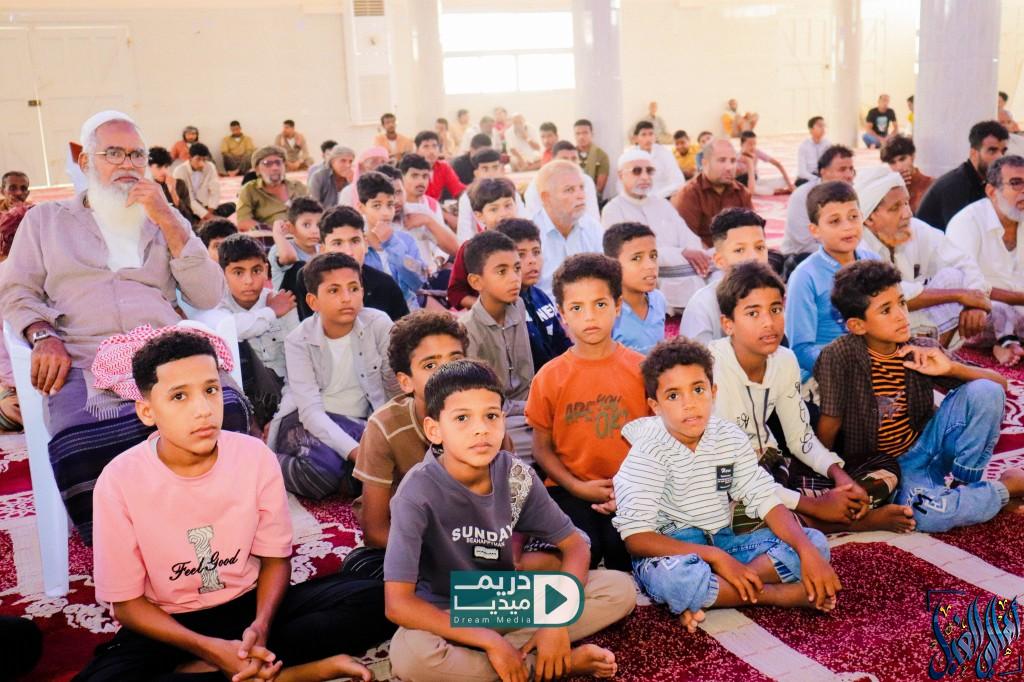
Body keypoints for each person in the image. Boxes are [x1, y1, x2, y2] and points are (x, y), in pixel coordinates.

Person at [76, 330, 392, 681]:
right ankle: (287, 673)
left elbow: (275, 560)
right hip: (169, 623)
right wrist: (209, 648)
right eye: (179, 396)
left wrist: (261, 626)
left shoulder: (254, 456)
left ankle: (224, 668)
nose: (203, 410)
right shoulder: (119, 480)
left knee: (381, 601)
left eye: (211, 390)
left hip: (249, 605)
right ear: (147, 411)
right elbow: (127, 605)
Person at [0, 110, 242, 541]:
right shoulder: (46, 221)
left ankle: (209, 524)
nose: (128, 164)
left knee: (229, 409)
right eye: (114, 153)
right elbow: (16, 291)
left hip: (165, 350)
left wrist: (168, 218)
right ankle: (126, 541)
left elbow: (208, 296)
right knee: (81, 441)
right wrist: (41, 334)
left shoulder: (163, 219)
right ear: (85, 162)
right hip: (81, 355)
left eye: (137, 155)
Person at [384, 360, 635, 682]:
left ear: (503, 420)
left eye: (491, 416)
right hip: (448, 610)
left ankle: (514, 653)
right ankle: (548, 665)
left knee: (618, 589)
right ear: (434, 430)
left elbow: (575, 546)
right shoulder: (415, 493)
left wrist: (555, 620)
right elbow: (397, 604)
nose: (481, 429)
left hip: (503, 597)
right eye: (462, 418)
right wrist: (487, 640)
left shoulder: (516, 475)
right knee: (410, 656)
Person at [613, 338, 840, 630]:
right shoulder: (648, 452)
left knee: (814, 544)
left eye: (698, 389)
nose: (689, 403)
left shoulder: (729, 437)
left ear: (713, 392)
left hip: (723, 539)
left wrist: (805, 551)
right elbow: (636, 538)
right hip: (672, 550)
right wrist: (716, 558)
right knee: (677, 581)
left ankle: (716, 591)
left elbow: (764, 497)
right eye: (673, 395)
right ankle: (776, 595)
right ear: (655, 406)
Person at [817, 260, 1024, 533]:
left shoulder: (920, 347)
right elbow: (830, 422)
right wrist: (824, 475)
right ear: (857, 325)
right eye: (886, 310)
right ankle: (1005, 489)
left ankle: (967, 484)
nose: (901, 315)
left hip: (930, 444)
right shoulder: (838, 357)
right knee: (927, 516)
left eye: (902, 303)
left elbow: (1000, 385)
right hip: (893, 468)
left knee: (986, 391)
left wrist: (951, 368)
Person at [711, 262, 914, 533]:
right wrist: (815, 505)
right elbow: (733, 475)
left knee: (885, 467)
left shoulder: (784, 360)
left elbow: (799, 438)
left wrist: (840, 477)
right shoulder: (712, 369)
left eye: (775, 309)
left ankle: (823, 513)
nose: (769, 322)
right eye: (753, 313)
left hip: (775, 469)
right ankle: (850, 522)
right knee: (737, 517)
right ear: (728, 324)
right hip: (724, 481)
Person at [526, 253, 647, 571]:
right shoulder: (549, 376)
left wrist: (630, 489)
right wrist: (576, 486)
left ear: (617, 306)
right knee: (576, 552)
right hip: (568, 489)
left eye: (600, 304)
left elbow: (658, 444)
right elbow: (541, 449)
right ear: (563, 314)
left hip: (633, 489)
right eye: (577, 308)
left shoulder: (642, 370)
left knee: (629, 552)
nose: (589, 317)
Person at [268, 252, 395, 499]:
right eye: (334, 290)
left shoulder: (378, 324)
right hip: (306, 422)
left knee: (394, 461)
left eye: (353, 288)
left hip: (363, 423)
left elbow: (393, 387)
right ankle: (268, 464)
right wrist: (357, 452)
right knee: (319, 475)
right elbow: (310, 412)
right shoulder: (298, 340)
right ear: (313, 301)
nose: (347, 298)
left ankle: (346, 473)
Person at [352, 311, 468, 559]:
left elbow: (513, 506)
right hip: (411, 540)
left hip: (473, 535)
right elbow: (375, 531)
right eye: (430, 365)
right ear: (406, 382)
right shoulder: (385, 427)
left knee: (545, 560)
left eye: (455, 359)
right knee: (363, 570)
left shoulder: (487, 417)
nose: (447, 372)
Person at [856, 165, 990, 346]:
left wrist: (975, 303)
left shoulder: (915, 228)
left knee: (953, 277)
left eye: (906, 203)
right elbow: (887, 295)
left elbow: (964, 262)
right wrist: (959, 295)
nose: (907, 213)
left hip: (911, 323)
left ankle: (936, 355)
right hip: (874, 332)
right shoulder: (858, 245)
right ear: (869, 218)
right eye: (895, 207)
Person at [786, 181, 880, 382]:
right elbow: (800, 349)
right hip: (828, 374)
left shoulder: (874, 263)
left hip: (877, 362)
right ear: (815, 230)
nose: (848, 227)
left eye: (853, 217)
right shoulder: (805, 276)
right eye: (835, 221)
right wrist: (848, 367)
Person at [601, 149, 710, 311]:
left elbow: (688, 237)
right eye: (637, 171)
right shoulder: (613, 209)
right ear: (621, 175)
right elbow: (627, 254)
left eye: (649, 171)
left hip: (684, 271)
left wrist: (694, 254)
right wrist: (682, 253)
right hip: (649, 280)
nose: (645, 177)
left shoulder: (662, 204)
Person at [463, 231, 535, 458]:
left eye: (517, 268)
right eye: (502, 271)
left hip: (528, 410)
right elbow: (481, 401)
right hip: (496, 419)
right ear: (476, 281)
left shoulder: (518, 306)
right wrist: (532, 408)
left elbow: (527, 381)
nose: (514, 278)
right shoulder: (468, 330)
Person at [947, 154, 1024, 365]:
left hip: (1020, 310)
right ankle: (1006, 342)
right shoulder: (967, 222)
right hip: (981, 310)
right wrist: (1018, 298)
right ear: (991, 191)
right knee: (996, 309)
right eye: (1016, 183)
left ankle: (1008, 341)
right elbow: (962, 284)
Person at [217, 234, 298, 426]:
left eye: (256, 270)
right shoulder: (218, 306)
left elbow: (297, 362)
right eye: (238, 272)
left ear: (266, 270)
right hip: (241, 395)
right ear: (223, 274)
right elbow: (232, 329)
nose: (249, 281)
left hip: (286, 393)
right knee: (241, 349)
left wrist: (281, 415)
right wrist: (271, 312)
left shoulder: (281, 301)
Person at [285, 206, 409, 322]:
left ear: (366, 244)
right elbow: (309, 329)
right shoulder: (307, 279)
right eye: (337, 243)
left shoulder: (385, 285)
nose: (348, 252)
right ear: (323, 249)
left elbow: (404, 334)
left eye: (355, 241)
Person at [680, 207, 770, 345]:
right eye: (739, 250)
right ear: (719, 260)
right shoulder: (702, 306)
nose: (754, 257)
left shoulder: (772, 295)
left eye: (759, 248)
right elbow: (695, 357)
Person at [497, 219, 572, 370]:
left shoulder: (541, 297)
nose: (532, 261)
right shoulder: (500, 307)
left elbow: (562, 344)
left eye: (536, 252)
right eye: (521, 255)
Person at [917, 120, 1009, 231]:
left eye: (1003, 152)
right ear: (973, 153)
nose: (1000, 158)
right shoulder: (955, 186)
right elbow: (960, 233)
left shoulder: (983, 182)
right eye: (992, 151)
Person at [532, 160, 604, 296]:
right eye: (569, 190)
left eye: (581, 187)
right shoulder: (530, 234)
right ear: (546, 197)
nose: (580, 195)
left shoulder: (592, 227)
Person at [448, 178, 521, 309]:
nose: (503, 214)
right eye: (494, 209)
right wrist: (490, 307)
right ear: (479, 216)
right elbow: (455, 293)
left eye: (508, 205)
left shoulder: (527, 242)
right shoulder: (471, 249)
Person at [671, 139, 754, 248]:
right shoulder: (688, 194)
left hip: (738, 252)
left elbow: (753, 231)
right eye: (722, 160)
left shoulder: (742, 192)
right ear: (705, 163)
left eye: (733, 161)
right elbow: (688, 241)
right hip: (703, 254)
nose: (729, 167)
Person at [781, 145, 856, 259]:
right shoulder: (803, 196)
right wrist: (842, 251)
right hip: (802, 255)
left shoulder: (851, 193)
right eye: (842, 169)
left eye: (851, 169)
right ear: (823, 172)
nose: (849, 175)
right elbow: (803, 244)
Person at [603, 223, 666, 355]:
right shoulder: (606, 311)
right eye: (636, 258)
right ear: (613, 264)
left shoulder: (658, 299)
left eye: (653, 256)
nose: (650, 265)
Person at [455, 148, 527, 244]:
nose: (491, 173)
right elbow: (465, 234)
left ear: (501, 169)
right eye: (485, 169)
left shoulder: (510, 191)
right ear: (476, 173)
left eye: (495, 167)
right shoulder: (467, 197)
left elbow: (524, 220)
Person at [397, 153, 459, 263]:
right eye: (414, 176)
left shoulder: (431, 204)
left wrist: (428, 221)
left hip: (429, 267)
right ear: (401, 178)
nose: (421, 181)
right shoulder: (394, 205)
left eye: (425, 176)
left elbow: (452, 247)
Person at [524, 141, 601, 224]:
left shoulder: (586, 180)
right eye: (564, 159)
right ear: (552, 160)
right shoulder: (538, 183)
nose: (570, 163)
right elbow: (534, 218)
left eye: (574, 159)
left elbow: (593, 215)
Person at [236, 146, 309, 231]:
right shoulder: (249, 190)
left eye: (278, 162)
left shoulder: (297, 186)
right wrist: (274, 231)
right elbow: (243, 222)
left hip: (303, 234)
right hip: (270, 236)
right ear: (257, 169)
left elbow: (315, 212)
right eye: (267, 163)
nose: (275, 168)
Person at [269, 196, 322, 289]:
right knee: (299, 266)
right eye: (306, 225)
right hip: (289, 297)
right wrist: (278, 234)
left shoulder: (322, 249)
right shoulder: (281, 247)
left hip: (313, 297)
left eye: (319, 225)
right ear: (291, 227)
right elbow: (288, 258)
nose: (315, 231)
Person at [172, 142, 234, 222]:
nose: (202, 164)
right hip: (189, 209)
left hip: (206, 207)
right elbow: (189, 199)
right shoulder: (179, 171)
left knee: (232, 206)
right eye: (198, 159)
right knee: (181, 217)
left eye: (204, 160)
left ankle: (204, 221)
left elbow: (215, 191)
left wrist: (209, 212)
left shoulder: (210, 166)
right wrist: (207, 216)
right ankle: (201, 222)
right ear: (190, 158)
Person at [880, 135, 933, 214]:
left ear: (912, 156)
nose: (899, 167)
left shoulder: (930, 185)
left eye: (902, 159)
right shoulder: (886, 188)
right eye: (892, 162)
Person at [632, 120, 685, 199]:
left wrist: (655, 196)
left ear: (655, 137)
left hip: (665, 197)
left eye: (651, 134)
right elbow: (626, 184)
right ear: (636, 138)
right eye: (643, 134)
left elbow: (679, 181)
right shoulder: (631, 156)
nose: (648, 138)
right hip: (639, 199)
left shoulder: (665, 153)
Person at [147, 147, 197, 226]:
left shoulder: (180, 184)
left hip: (181, 227)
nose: (164, 171)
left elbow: (189, 219)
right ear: (149, 167)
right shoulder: (147, 188)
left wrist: (173, 192)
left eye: (166, 166)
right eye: (159, 167)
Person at [415, 130, 465, 203]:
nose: (431, 151)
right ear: (417, 151)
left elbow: (458, 189)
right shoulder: (412, 169)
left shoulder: (443, 167)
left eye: (434, 146)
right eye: (426, 146)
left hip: (436, 207)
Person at [574, 118, 611, 196]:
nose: (581, 137)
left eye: (585, 133)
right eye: (578, 133)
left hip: (592, 196)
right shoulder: (570, 154)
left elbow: (599, 187)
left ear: (592, 134)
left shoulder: (601, 156)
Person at [796, 117, 830, 185]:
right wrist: (817, 180)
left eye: (824, 126)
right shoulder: (804, 146)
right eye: (820, 126)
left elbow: (830, 165)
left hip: (823, 177)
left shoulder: (828, 145)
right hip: (808, 178)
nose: (823, 128)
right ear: (811, 129)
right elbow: (802, 172)